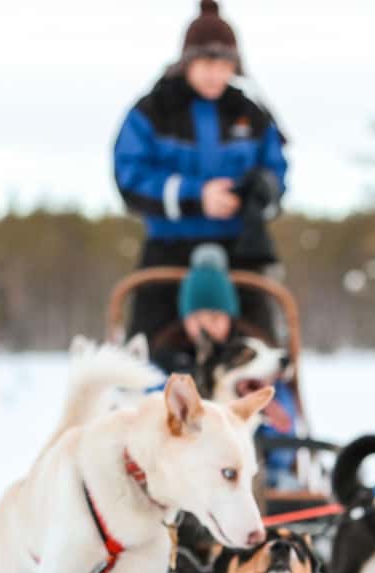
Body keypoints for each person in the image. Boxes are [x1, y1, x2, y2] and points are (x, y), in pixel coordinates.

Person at [114, 0, 287, 342]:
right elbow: (128, 176)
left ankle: (268, 395)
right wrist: (196, 195)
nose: (216, 73)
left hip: (241, 252)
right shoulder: (153, 111)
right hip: (168, 249)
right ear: (188, 61)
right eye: (208, 61)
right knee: (147, 353)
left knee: (263, 351)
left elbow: (277, 173)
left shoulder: (251, 114)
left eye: (225, 63)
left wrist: (259, 191)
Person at [150, 244, 300, 487]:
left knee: (282, 483)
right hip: (185, 466)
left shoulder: (254, 351)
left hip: (258, 464)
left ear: (230, 317)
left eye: (216, 317)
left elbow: (285, 423)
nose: (207, 327)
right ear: (184, 318)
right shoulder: (166, 355)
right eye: (198, 318)